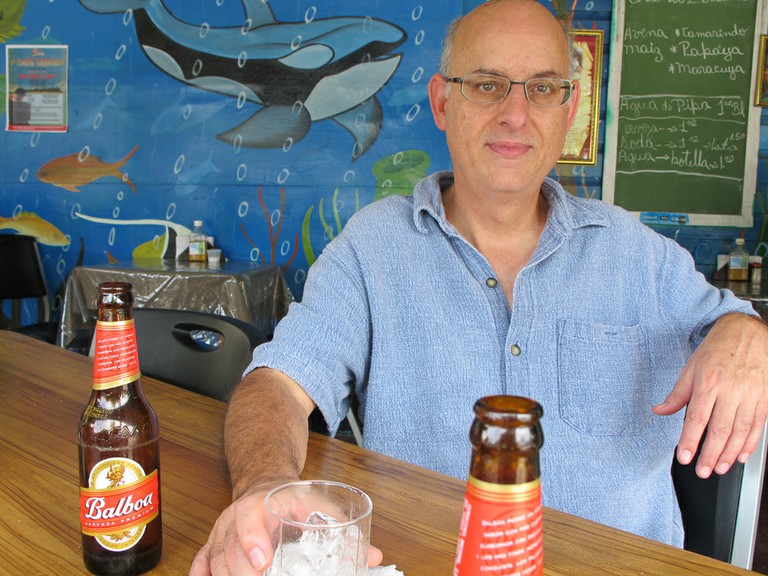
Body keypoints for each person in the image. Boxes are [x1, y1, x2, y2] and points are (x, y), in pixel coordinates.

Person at [191, 0, 768, 573]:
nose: (516, 114)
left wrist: (745, 329)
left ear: (568, 110)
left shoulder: (638, 255)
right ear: (443, 102)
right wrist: (264, 485)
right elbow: (276, 387)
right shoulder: (373, 249)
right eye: (488, 85)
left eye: (542, 88)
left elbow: (732, 326)